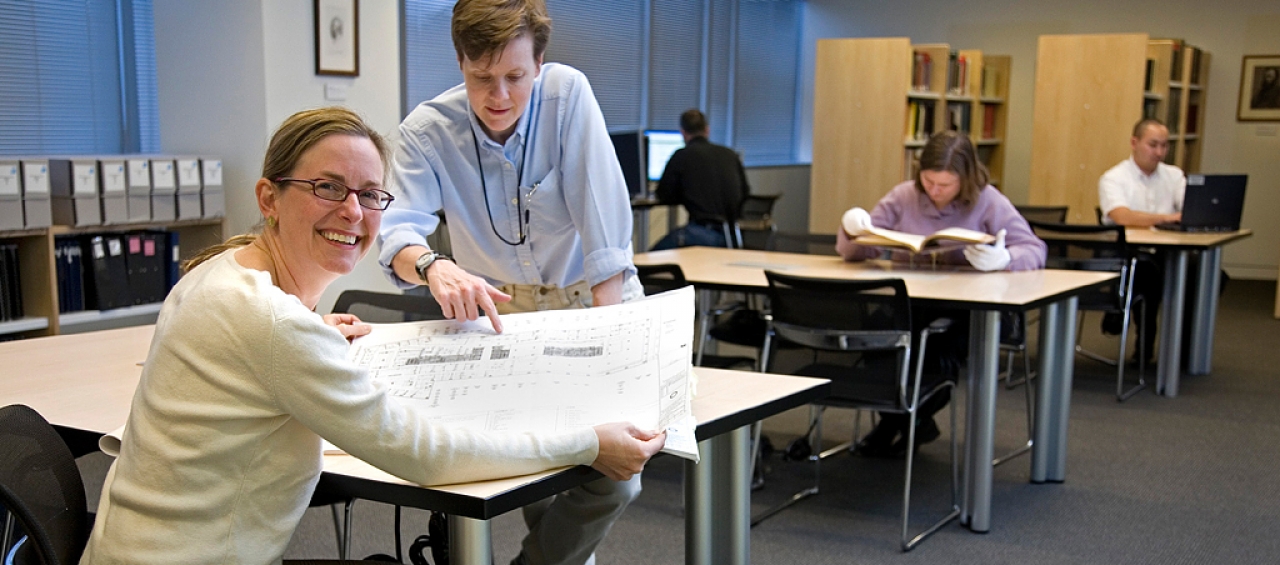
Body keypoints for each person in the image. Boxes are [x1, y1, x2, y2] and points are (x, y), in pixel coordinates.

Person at [78, 107, 665, 565]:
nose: (354, 212)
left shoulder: (218, 274)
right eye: (328, 188)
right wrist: (590, 443)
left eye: (369, 194)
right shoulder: (273, 326)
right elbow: (427, 457)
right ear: (269, 198)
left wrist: (305, 335)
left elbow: (250, 351)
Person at [375, 2, 645, 564]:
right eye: (481, 78)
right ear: (460, 62)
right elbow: (397, 235)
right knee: (540, 472)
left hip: (594, 300)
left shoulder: (568, 97)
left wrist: (610, 350)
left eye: (516, 77)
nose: (498, 96)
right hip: (502, 315)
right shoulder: (428, 131)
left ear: (540, 63)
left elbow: (605, 240)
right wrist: (434, 264)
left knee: (616, 474)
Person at [836, 130, 1046, 457]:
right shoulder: (903, 196)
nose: (934, 191)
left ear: (966, 177)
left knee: (936, 351)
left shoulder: (989, 200)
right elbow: (856, 250)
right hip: (910, 302)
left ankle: (902, 422)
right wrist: (852, 229)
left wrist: (1006, 259)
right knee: (876, 339)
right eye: (929, 181)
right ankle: (908, 422)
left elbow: (1035, 248)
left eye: (945, 185)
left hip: (963, 308)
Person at [1098, 118, 1185, 363]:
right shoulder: (1114, 178)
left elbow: (1189, 210)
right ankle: (1144, 347)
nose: (1159, 152)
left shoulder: (1174, 176)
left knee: (1205, 275)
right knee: (1148, 276)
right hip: (1128, 253)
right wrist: (1166, 218)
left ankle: (1185, 346)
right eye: (1153, 145)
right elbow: (1121, 215)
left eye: (1164, 146)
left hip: (1168, 251)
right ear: (1134, 143)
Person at [650, 108, 751, 250]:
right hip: (734, 236)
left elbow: (664, 194)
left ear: (683, 133)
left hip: (702, 234)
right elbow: (745, 191)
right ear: (707, 130)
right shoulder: (730, 154)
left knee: (649, 259)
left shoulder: (682, 155)